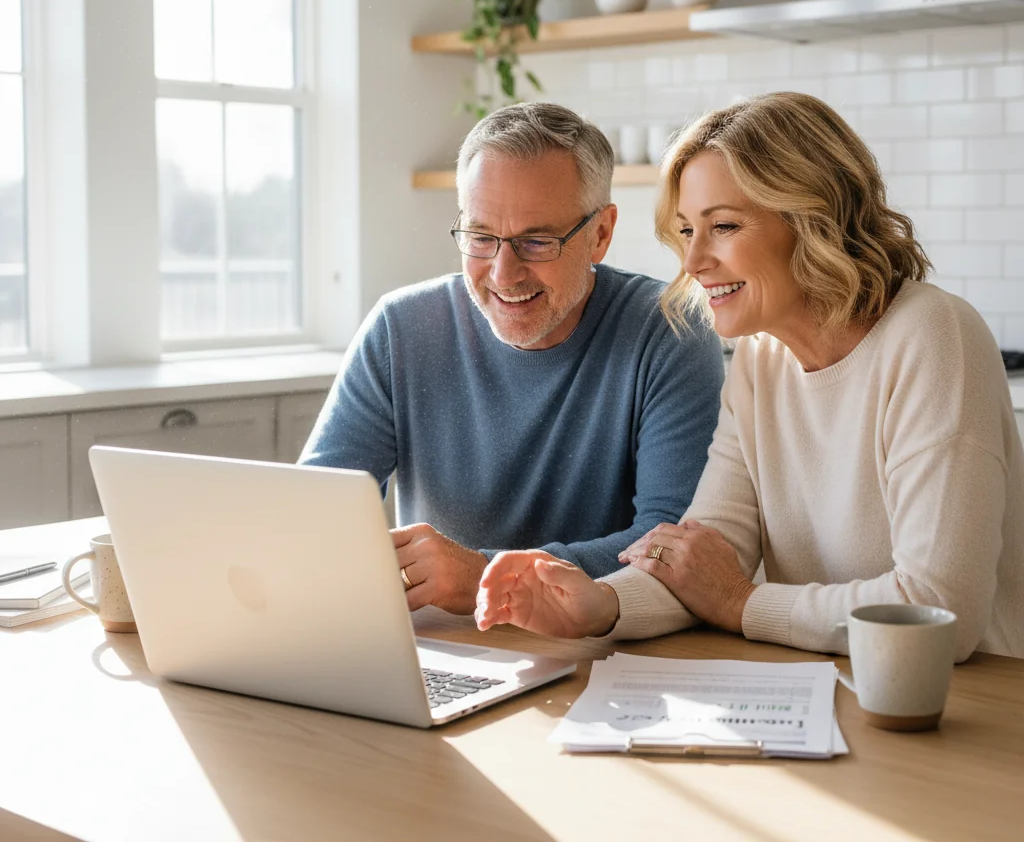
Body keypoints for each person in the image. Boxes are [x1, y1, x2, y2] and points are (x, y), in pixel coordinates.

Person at [475, 92, 1024, 662]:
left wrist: (742, 604)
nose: (693, 262)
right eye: (687, 230)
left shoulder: (933, 336)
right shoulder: (761, 360)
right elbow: (706, 556)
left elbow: (940, 611)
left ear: (813, 222)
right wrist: (597, 605)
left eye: (725, 226)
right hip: (836, 689)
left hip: (970, 708)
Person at [301, 102, 724, 616]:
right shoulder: (400, 328)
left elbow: (667, 547)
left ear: (601, 234)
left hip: (605, 650)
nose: (503, 273)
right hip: (442, 648)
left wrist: (485, 576)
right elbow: (317, 516)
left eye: (536, 242)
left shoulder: (671, 330)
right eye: (481, 237)